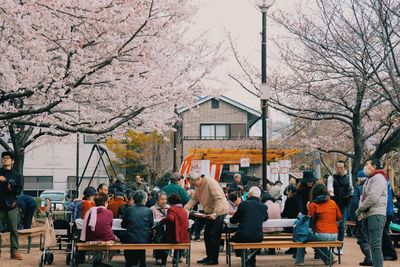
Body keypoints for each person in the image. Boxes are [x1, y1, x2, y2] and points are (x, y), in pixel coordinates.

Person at [185, 172, 229, 265]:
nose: (192, 185)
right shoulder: (198, 185)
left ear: (198, 179)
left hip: (219, 211)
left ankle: (213, 259)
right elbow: (194, 199)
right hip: (209, 212)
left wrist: (215, 213)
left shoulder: (211, 183)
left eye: (193, 183)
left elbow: (219, 199)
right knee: (207, 235)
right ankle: (209, 257)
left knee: (213, 235)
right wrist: (186, 208)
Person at [295, 183, 342, 266]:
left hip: (322, 234)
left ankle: (299, 260)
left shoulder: (313, 204)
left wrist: (308, 208)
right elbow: (339, 217)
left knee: (302, 234)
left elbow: (310, 220)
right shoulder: (332, 203)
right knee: (316, 241)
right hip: (334, 235)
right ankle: (330, 259)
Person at [356, 159, 387, 267]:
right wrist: (361, 210)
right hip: (368, 214)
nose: (365, 167)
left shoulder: (379, 178)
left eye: (367, 164)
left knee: (375, 246)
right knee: (372, 245)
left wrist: (360, 208)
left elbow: (373, 197)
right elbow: (362, 196)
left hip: (376, 214)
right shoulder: (370, 179)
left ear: (374, 166)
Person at [230, 187, 268, 267]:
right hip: (258, 237)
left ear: (250, 194)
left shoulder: (244, 204)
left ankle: (244, 257)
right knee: (251, 242)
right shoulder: (264, 206)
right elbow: (265, 218)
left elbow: (234, 220)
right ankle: (251, 260)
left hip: (243, 235)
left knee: (233, 239)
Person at [80, 192, 116, 267]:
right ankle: (105, 261)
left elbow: (86, 227)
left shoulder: (89, 212)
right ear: (106, 202)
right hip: (106, 238)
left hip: (91, 238)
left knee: (97, 235)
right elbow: (110, 226)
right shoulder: (109, 212)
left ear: (95, 202)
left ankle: (97, 261)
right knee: (115, 240)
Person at [0, 151, 23, 260]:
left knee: (14, 229)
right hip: (0, 205)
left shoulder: (16, 175)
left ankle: (14, 251)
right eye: (4, 158)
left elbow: (18, 191)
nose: (5, 159)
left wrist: (8, 184)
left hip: (12, 205)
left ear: (12, 161)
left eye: (8, 158)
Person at [121, 190, 153, 267]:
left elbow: (123, 225)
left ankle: (129, 263)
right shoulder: (148, 211)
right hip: (144, 239)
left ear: (134, 200)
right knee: (141, 239)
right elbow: (150, 225)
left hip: (131, 239)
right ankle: (142, 263)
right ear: (145, 200)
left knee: (126, 237)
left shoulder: (129, 210)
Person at [328, 161, 353, 253]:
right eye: (338, 167)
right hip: (334, 204)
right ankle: (331, 246)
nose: (339, 170)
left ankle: (339, 246)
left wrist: (349, 195)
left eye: (341, 168)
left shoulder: (348, 177)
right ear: (335, 167)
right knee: (332, 224)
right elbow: (329, 188)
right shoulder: (331, 177)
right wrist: (332, 194)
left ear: (344, 168)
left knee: (342, 226)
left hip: (344, 204)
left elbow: (351, 189)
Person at [159, 194, 190, 267]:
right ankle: (174, 262)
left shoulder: (172, 209)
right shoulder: (183, 210)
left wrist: (163, 220)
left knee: (163, 242)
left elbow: (170, 218)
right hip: (183, 237)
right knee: (177, 246)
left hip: (173, 236)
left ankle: (163, 263)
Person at [352, 171, 372, 266]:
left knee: (362, 239)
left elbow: (355, 203)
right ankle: (371, 257)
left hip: (361, 216)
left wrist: (355, 215)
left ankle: (369, 258)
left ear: (360, 178)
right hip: (372, 215)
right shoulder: (371, 186)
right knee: (371, 238)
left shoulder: (358, 188)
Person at [382, 179, 397, 261]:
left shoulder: (382, 181)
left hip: (386, 211)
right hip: (388, 211)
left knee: (383, 233)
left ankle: (391, 254)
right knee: (383, 233)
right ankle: (386, 253)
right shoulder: (386, 181)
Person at [281, 184, 300, 254]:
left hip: (291, 224)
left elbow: (285, 213)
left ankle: (293, 248)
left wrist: (280, 214)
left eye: (287, 191)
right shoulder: (299, 198)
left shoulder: (289, 200)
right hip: (299, 222)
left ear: (290, 191)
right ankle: (299, 249)